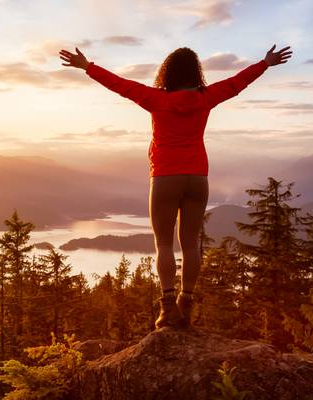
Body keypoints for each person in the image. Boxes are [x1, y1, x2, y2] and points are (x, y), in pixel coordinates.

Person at [59, 44, 292, 330]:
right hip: (198, 178)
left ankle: (168, 308)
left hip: (166, 177)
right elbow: (237, 83)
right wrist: (264, 63)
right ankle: (186, 302)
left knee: (164, 243)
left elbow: (120, 85)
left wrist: (88, 67)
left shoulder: (156, 99)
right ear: (196, 72)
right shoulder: (207, 97)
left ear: (166, 72)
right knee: (191, 243)